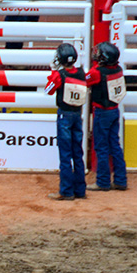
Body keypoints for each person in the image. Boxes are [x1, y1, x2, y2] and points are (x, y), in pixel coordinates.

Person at [45, 43, 88, 201]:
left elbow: (48, 90)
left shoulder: (59, 75)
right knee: (78, 153)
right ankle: (80, 190)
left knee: (65, 154)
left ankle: (66, 191)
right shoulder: (82, 72)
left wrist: (53, 72)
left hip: (65, 115)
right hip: (77, 114)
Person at [85, 42, 129, 192]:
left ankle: (103, 182)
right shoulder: (118, 69)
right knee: (115, 146)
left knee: (102, 148)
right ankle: (120, 180)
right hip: (114, 111)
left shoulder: (97, 72)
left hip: (102, 112)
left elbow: (85, 81)